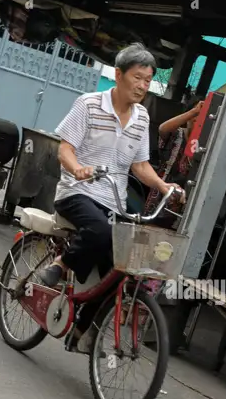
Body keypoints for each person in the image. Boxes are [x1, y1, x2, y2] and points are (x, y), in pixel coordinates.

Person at [39, 42, 185, 348]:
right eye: (138, 77)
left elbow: (140, 165)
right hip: (76, 192)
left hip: (113, 200)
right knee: (101, 231)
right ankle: (62, 264)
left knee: (119, 269)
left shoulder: (142, 118)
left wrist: (163, 187)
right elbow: (64, 148)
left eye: (148, 80)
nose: (143, 85)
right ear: (118, 75)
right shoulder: (89, 104)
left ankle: (81, 332)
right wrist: (77, 168)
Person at [144, 95, 204, 229]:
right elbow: (162, 129)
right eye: (195, 115)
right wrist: (194, 111)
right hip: (161, 192)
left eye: (201, 117)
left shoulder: (203, 145)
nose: (196, 119)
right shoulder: (176, 133)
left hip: (183, 200)